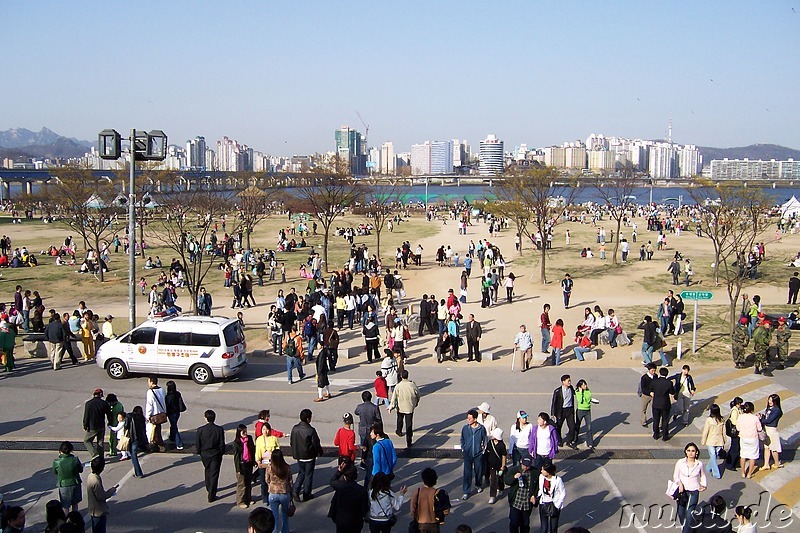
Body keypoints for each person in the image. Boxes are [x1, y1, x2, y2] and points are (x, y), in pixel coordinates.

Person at [290, 408, 324, 501]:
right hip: (309, 456)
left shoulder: (295, 428)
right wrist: (320, 451)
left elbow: (292, 441)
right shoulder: (311, 430)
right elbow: (316, 443)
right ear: (308, 419)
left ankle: (295, 490)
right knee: (308, 475)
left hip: (299, 455)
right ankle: (306, 493)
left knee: (301, 472)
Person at [673, 442, 707, 533]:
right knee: (681, 513)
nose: (690, 453)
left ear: (696, 452)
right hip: (681, 492)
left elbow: (702, 475)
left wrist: (704, 485)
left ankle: (686, 530)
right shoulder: (680, 462)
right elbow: (676, 476)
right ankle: (686, 527)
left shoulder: (699, 464)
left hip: (693, 492)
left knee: (689, 514)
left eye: (693, 451)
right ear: (685, 452)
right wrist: (679, 483)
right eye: (688, 451)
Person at [328, 461, 369, 533]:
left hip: (341, 520)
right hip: (355, 521)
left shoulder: (340, 486)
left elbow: (332, 481)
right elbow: (364, 508)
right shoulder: (361, 490)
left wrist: (339, 471)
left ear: (345, 476)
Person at [196, 409, 226, 502]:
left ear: (206, 418)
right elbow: (222, 443)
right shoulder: (219, 429)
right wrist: (221, 452)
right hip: (216, 454)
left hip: (205, 454)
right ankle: (212, 495)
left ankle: (208, 487)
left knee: (207, 470)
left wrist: (199, 451)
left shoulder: (200, 430)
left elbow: (198, 443)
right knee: (214, 474)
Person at [503, 456, 538, 533]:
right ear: (521, 462)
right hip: (516, 502)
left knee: (525, 524)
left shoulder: (534, 472)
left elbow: (537, 486)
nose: (525, 467)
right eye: (524, 465)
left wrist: (534, 495)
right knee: (514, 523)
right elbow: (506, 481)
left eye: (528, 466)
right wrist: (514, 477)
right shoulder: (514, 470)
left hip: (526, 503)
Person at [409, 467, 450, 533]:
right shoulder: (439, 493)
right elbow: (446, 510)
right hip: (434, 523)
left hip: (421, 523)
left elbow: (412, 511)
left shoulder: (417, 492)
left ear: (423, 479)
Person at [461, 408, 487, 501]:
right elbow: (462, 439)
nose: (468, 420)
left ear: (475, 419)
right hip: (468, 454)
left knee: (478, 471)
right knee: (467, 473)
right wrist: (464, 448)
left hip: (478, 454)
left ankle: (478, 484)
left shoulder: (481, 429)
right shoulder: (465, 428)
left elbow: (485, 439)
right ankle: (466, 491)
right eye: (467, 418)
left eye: (470, 418)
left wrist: (483, 450)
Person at [389, 370, 421, 447]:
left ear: (401, 376)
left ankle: (399, 431)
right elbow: (418, 395)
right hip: (409, 407)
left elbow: (394, 398)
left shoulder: (398, 386)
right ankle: (409, 441)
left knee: (399, 419)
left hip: (400, 407)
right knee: (409, 424)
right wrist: (416, 402)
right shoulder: (412, 385)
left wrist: (391, 406)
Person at [266, 449, 294, 533]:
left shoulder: (270, 468)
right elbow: (290, 481)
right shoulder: (287, 467)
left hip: (273, 494)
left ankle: (275, 531)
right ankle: (285, 531)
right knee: (285, 514)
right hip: (284, 493)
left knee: (274, 516)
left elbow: (267, 479)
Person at [86, 457, 117, 533]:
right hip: (98, 510)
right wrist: (111, 491)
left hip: (93, 508)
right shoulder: (96, 481)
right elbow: (101, 496)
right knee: (100, 529)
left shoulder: (91, 476)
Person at [52, 441, 83, 515]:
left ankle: (66, 521)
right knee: (75, 503)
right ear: (71, 450)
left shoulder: (57, 462)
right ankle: (75, 519)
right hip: (75, 483)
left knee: (65, 506)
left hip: (63, 485)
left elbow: (54, 472)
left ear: (60, 451)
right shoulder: (75, 460)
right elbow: (81, 470)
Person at [355, 390, 383, 468]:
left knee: (363, 446)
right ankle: (373, 461)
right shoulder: (374, 407)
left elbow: (356, 412)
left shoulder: (360, 407)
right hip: (371, 430)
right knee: (372, 446)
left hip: (363, 429)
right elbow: (379, 419)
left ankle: (363, 461)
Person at [735, 402, 762, 479]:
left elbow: (738, 428)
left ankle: (743, 472)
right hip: (753, 438)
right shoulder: (755, 418)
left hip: (743, 438)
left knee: (743, 455)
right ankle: (749, 474)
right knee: (752, 456)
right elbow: (759, 428)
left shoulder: (740, 417)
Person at [83, 388, 111, 460]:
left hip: (92, 426)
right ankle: (101, 457)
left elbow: (86, 416)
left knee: (87, 441)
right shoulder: (104, 403)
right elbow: (109, 414)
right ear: (101, 395)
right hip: (101, 425)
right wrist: (110, 422)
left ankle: (94, 454)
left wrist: (85, 425)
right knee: (100, 442)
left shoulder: (88, 403)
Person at [538, 463, 566, 533]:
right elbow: (540, 489)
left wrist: (558, 505)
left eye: (543, 470)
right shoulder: (541, 477)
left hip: (554, 504)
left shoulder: (558, 480)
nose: (541, 471)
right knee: (544, 528)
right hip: (543, 503)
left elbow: (563, 492)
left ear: (548, 472)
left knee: (553, 528)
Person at [233, 424, 256, 509]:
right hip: (241, 465)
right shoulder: (236, 443)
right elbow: (236, 457)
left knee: (248, 482)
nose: (245, 433)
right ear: (239, 432)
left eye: (246, 431)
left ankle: (248, 498)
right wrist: (238, 469)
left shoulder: (249, 438)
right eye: (243, 432)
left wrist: (253, 461)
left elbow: (252, 450)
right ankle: (240, 501)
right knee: (241, 484)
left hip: (249, 463)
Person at [700, 404, 726, 479]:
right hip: (718, 440)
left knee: (713, 456)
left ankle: (708, 468)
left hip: (711, 440)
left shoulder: (709, 420)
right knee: (714, 456)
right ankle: (716, 473)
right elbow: (724, 431)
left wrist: (703, 441)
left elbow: (705, 431)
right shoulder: (722, 419)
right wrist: (724, 440)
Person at [551, 374, 576, 447]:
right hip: (561, 411)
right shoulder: (557, 391)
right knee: (558, 427)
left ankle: (569, 441)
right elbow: (554, 402)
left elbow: (575, 393)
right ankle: (559, 440)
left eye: (570, 380)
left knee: (572, 427)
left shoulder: (571, 388)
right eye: (568, 381)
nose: (569, 382)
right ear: (563, 382)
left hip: (569, 410)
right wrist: (552, 413)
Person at [650, 367, 675, 441]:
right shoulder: (669, 383)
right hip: (665, 404)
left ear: (660, 373)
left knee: (656, 420)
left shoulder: (654, 382)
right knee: (665, 420)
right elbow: (672, 392)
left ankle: (656, 434)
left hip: (656, 403)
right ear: (667, 374)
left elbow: (651, 390)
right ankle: (665, 436)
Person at [761, 394, 783, 470]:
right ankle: (766, 464)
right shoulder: (770, 408)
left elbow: (769, 420)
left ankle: (777, 463)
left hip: (772, 430)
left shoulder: (776, 410)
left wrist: (761, 420)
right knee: (766, 447)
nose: (769, 401)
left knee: (774, 448)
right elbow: (766, 418)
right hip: (766, 429)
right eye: (769, 400)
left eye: (771, 400)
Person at [485, 427, 507, 505]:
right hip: (492, 465)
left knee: (500, 478)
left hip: (500, 465)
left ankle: (501, 488)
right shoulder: (490, 443)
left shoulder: (502, 445)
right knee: (493, 480)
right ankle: (492, 496)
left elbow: (504, 455)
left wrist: (503, 465)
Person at [145, 376, 167, 452]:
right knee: (157, 429)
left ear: (151, 382)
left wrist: (147, 415)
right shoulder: (162, 390)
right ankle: (157, 444)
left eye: (148, 382)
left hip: (154, 415)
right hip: (162, 413)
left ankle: (159, 445)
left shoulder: (150, 392)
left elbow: (149, 405)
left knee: (154, 431)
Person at [164, 380, 186, 450]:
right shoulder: (177, 393)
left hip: (171, 413)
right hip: (177, 413)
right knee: (173, 425)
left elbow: (167, 405)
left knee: (174, 426)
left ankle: (179, 443)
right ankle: (172, 437)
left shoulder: (168, 396)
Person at [575, 379, 596, 450]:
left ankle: (590, 443)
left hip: (587, 410)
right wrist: (581, 392)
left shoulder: (588, 390)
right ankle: (575, 439)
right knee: (577, 425)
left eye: (585, 384)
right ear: (580, 386)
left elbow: (589, 397)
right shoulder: (577, 392)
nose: (585, 386)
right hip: (580, 410)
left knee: (589, 427)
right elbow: (580, 400)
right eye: (583, 385)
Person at [725, 397, 744, 472]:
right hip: (736, 433)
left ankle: (732, 462)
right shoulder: (734, 411)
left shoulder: (737, 410)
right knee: (735, 449)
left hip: (737, 433)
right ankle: (731, 464)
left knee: (735, 448)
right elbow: (734, 422)